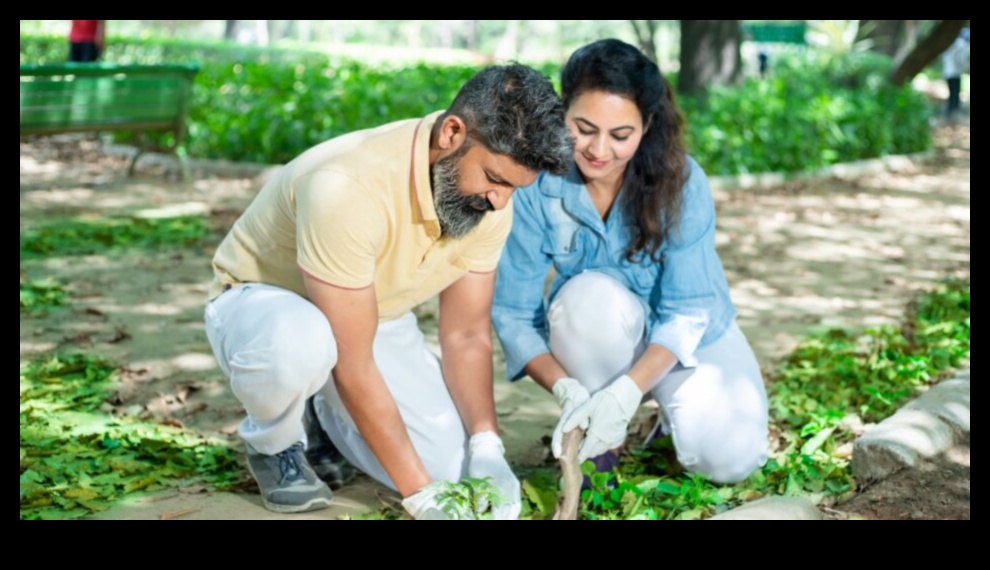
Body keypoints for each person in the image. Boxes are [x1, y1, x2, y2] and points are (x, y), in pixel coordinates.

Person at [204, 63, 572, 519]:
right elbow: (354, 363)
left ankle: (322, 414)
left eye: (514, 188)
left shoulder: (492, 200)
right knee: (301, 345)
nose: (500, 201)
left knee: (451, 471)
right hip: (266, 306)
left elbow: (466, 334)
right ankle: (276, 444)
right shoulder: (347, 188)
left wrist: (486, 443)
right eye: (496, 180)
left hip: (372, 312)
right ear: (452, 133)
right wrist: (419, 498)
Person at [492, 39, 769, 486]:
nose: (599, 150)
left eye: (621, 135)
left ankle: (657, 415)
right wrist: (569, 389)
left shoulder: (681, 182)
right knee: (586, 297)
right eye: (583, 127)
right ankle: (603, 443)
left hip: (689, 338)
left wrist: (626, 393)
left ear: (648, 126)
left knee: (731, 462)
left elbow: (687, 310)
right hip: (603, 331)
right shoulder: (535, 183)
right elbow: (513, 313)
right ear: (561, 113)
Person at [942, 27, 970, 121]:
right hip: (955, 73)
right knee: (955, 94)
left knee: (952, 93)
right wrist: (966, 69)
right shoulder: (962, 45)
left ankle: (949, 113)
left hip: (947, 72)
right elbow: (961, 60)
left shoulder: (950, 43)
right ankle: (953, 114)